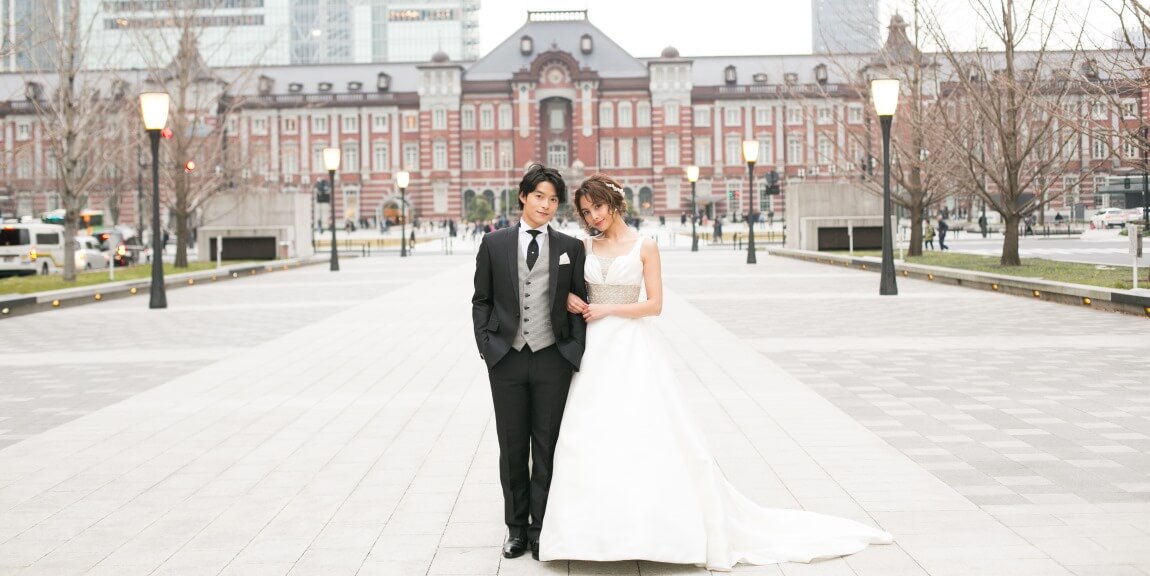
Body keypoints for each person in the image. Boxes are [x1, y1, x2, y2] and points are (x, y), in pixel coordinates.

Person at [543, 174, 892, 570]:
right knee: (591, 432)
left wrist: (608, 309)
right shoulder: (583, 246)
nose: (594, 217)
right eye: (586, 212)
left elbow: (655, 305)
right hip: (595, 349)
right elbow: (567, 289)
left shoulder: (646, 246)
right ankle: (591, 532)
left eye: (598, 207)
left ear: (615, 203)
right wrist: (574, 299)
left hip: (633, 346)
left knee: (646, 430)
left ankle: (655, 531)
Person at [471, 163, 588, 562]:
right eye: (539, 196)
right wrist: (489, 348)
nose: (546, 205)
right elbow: (481, 300)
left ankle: (541, 528)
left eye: (553, 199)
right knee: (512, 446)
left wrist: (571, 351)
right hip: (507, 360)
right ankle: (516, 529)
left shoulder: (572, 248)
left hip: (552, 358)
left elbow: (578, 302)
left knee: (548, 446)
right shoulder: (495, 244)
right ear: (523, 196)